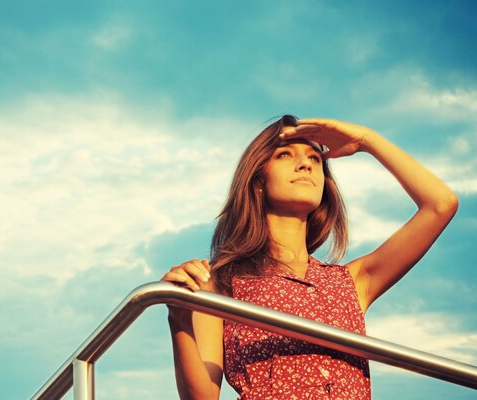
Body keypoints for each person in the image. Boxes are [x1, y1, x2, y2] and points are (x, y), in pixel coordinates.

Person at [161, 115, 458, 400]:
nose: (305, 164)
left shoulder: (353, 282)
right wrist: (178, 316)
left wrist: (366, 140)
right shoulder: (221, 282)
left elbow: (440, 204)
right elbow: (202, 396)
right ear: (258, 181)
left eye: (315, 158)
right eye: (285, 155)